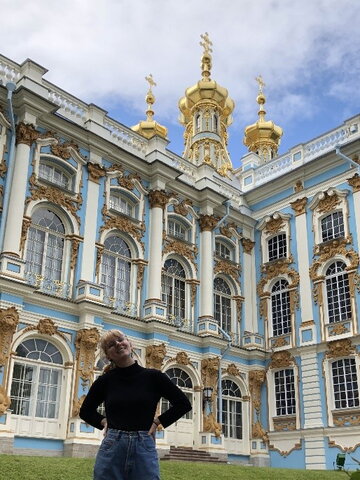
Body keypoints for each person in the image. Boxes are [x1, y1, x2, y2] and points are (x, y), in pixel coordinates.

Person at [80, 329, 192, 480]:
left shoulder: (154, 377)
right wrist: (103, 421)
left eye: (120, 339)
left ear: (130, 344)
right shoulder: (105, 381)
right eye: (111, 344)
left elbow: (183, 404)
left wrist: (158, 421)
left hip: (143, 444)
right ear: (108, 356)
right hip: (113, 445)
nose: (118, 344)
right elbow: (85, 411)